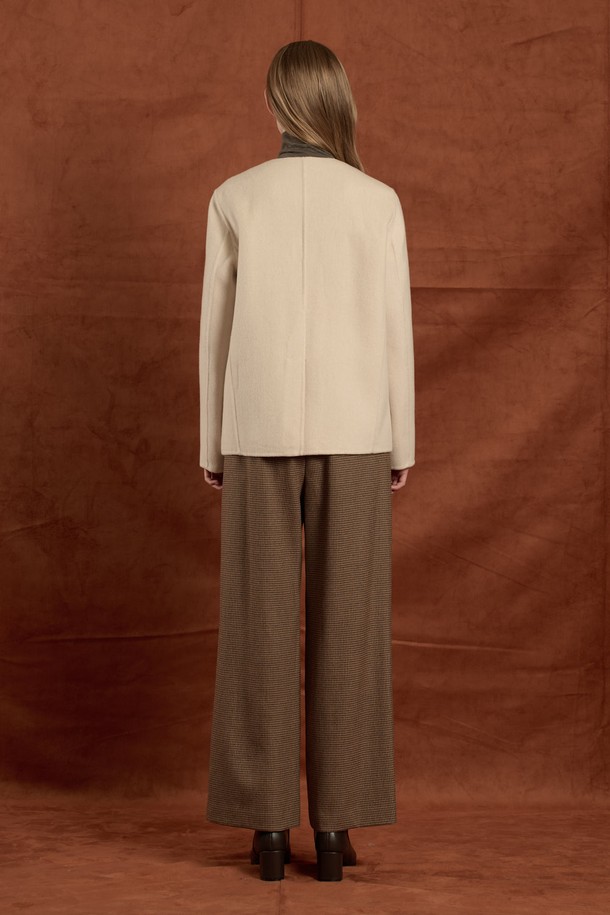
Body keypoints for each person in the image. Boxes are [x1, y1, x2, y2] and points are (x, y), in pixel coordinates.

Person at [198, 39, 415, 882]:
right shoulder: (377, 200)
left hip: (255, 428)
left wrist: (211, 440)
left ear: (274, 103)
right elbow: (395, 327)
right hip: (357, 428)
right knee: (350, 627)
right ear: (337, 100)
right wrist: (403, 441)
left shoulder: (234, 196)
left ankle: (265, 828)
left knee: (254, 622)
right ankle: (333, 830)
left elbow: (215, 331)